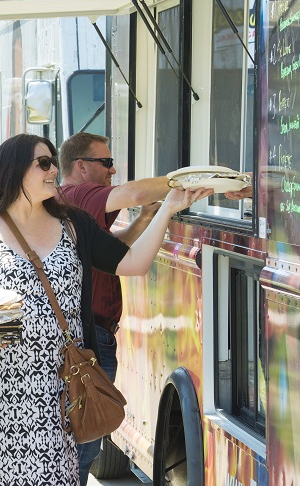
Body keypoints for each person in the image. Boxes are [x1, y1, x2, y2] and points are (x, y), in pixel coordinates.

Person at [0, 134, 211, 486]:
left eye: (54, 161)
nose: (54, 169)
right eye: (43, 163)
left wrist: (168, 208)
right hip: (1, 394)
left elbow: (134, 263)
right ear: (13, 169)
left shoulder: (73, 224)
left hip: (62, 392)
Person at [58, 131, 251, 483]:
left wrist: (149, 217)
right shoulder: (78, 193)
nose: (113, 171)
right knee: (80, 450)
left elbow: (113, 249)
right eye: (107, 162)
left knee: (81, 445)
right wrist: (198, 181)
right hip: (92, 337)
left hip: (96, 334)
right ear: (81, 167)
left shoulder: (75, 202)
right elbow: (132, 193)